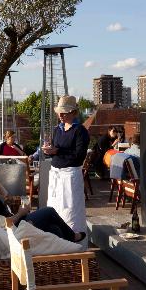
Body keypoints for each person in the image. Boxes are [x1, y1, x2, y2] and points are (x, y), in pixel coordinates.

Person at [0, 159, 85, 243]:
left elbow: (5, 195)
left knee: (55, 229)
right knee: (49, 211)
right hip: (16, 227)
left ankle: (64, 254)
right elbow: (3, 223)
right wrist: (21, 213)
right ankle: (73, 236)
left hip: (16, 222)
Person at [42, 95, 90, 233]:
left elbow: (79, 156)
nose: (61, 115)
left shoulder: (80, 131)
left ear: (73, 113)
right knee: (54, 207)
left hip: (70, 176)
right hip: (56, 174)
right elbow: (54, 151)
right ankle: (57, 237)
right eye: (59, 113)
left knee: (71, 210)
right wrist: (48, 151)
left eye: (64, 113)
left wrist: (57, 151)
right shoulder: (58, 130)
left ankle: (75, 240)